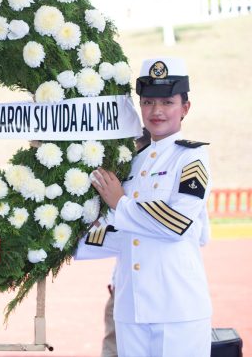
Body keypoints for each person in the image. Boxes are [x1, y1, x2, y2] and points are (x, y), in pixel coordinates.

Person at [77, 57, 212, 357]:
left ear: (185, 108)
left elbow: (179, 224)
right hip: (131, 308)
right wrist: (68, 243)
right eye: (148, 102)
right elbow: (120, 232)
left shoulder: (191, 158)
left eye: (167, 102)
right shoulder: (133, 163)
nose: (157, 111)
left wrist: (121, 203)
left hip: (178, 309)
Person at [101, 128, 151, 357]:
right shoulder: (122, 185)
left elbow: (198, 234)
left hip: (158, 288)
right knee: (114, 347)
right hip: (123, 286)